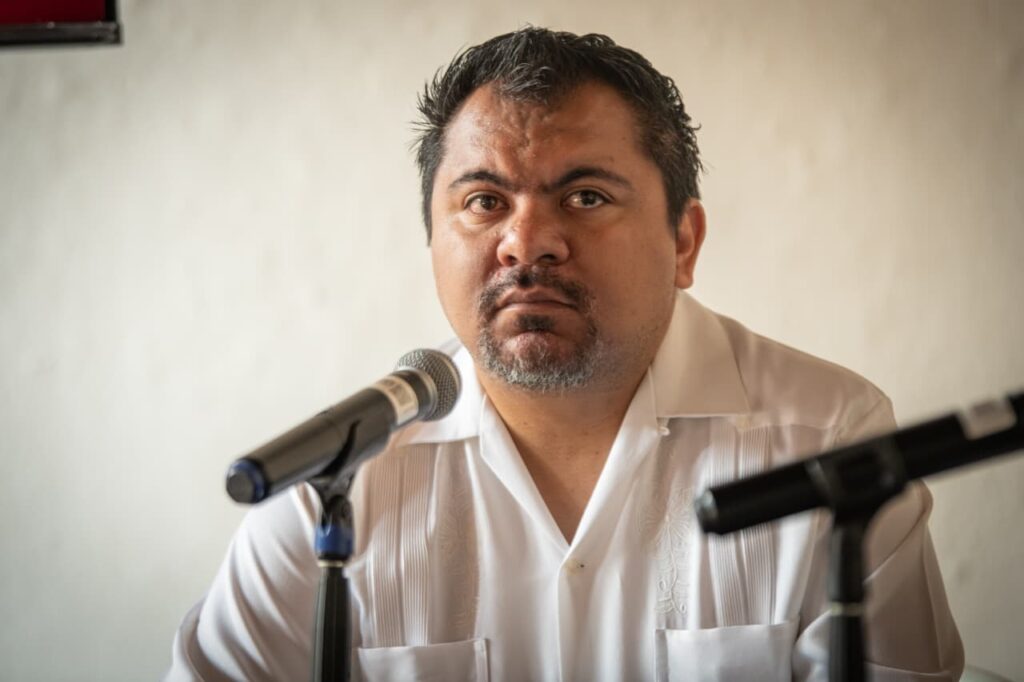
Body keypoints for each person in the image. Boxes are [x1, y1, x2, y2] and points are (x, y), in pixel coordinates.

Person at [166, 28, 964, 681]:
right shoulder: (336, 479)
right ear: (432, 242)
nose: (526, 242)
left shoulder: (831, 438)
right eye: (484, 201)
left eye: (585, 197)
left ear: (683, 243)